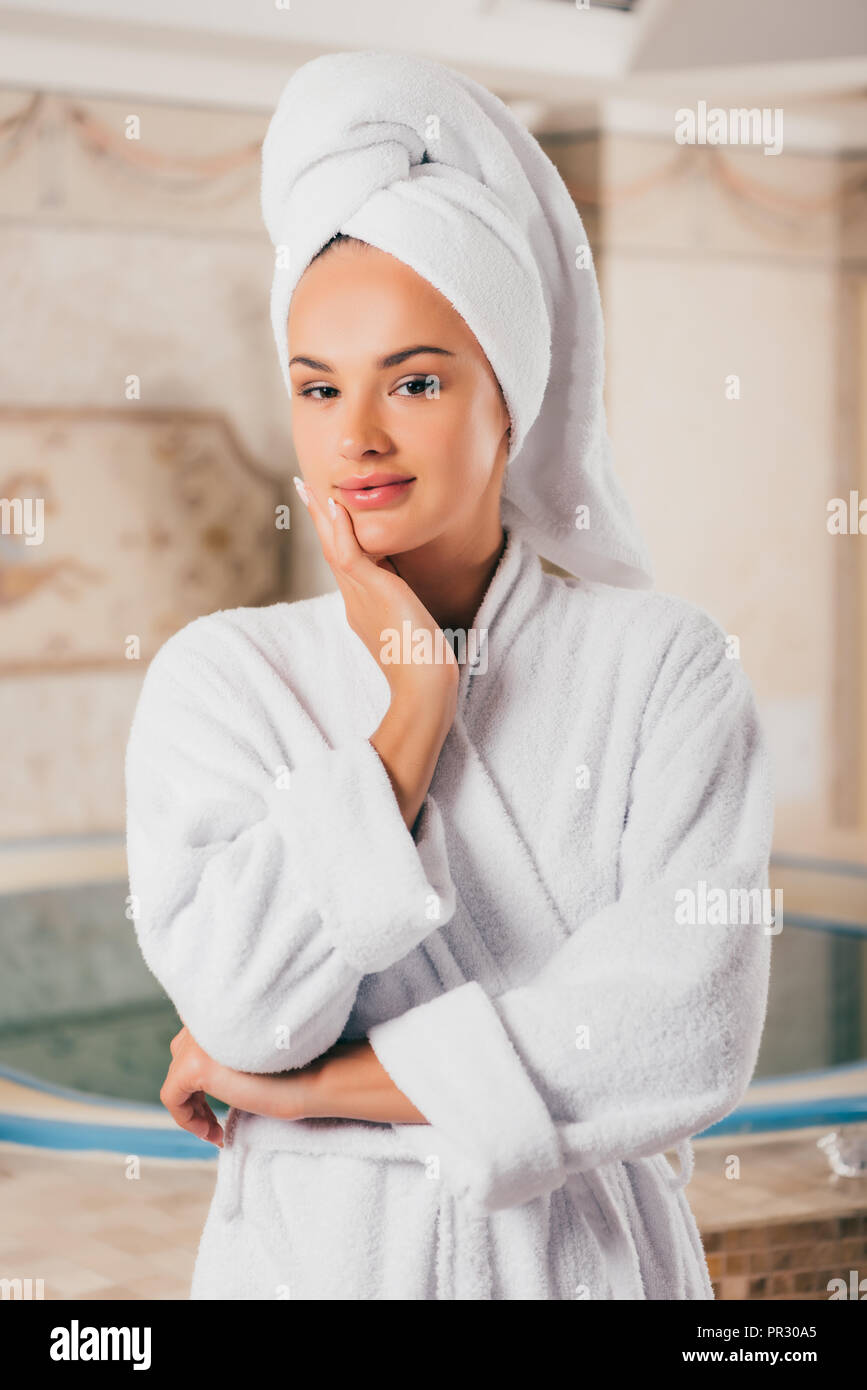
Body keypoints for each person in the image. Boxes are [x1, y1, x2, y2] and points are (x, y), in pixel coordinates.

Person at [124, 50, 775, 1300]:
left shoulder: (664, 666)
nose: (357, 437)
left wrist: (306, 1091)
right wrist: (411, 712)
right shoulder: (223, 679)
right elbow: (246, 1006)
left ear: (511, 401)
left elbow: (684, 1032)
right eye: (320, 388)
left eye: (414, 381)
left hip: (585, 1270)